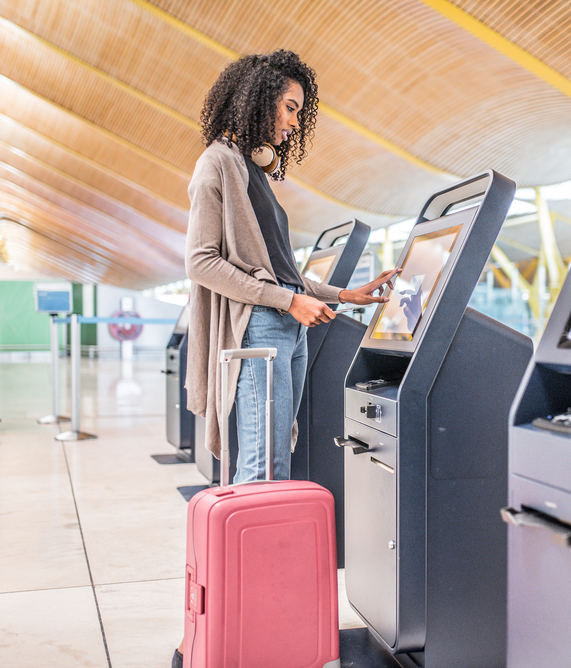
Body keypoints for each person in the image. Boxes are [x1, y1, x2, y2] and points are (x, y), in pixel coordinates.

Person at [174, 49, 398, 668]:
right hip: (259, 332)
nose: (294, 122)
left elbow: (286, 275)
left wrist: (344, 295)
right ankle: (251, 629)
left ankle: (261, 619)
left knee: (273, 460)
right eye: (290, 106)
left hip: (282, 327)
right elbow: (202, 262)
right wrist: (286, 302)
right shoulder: (216, 163)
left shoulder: (259, 177)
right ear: (259, 97)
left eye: (301, 111)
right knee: (261, 468)